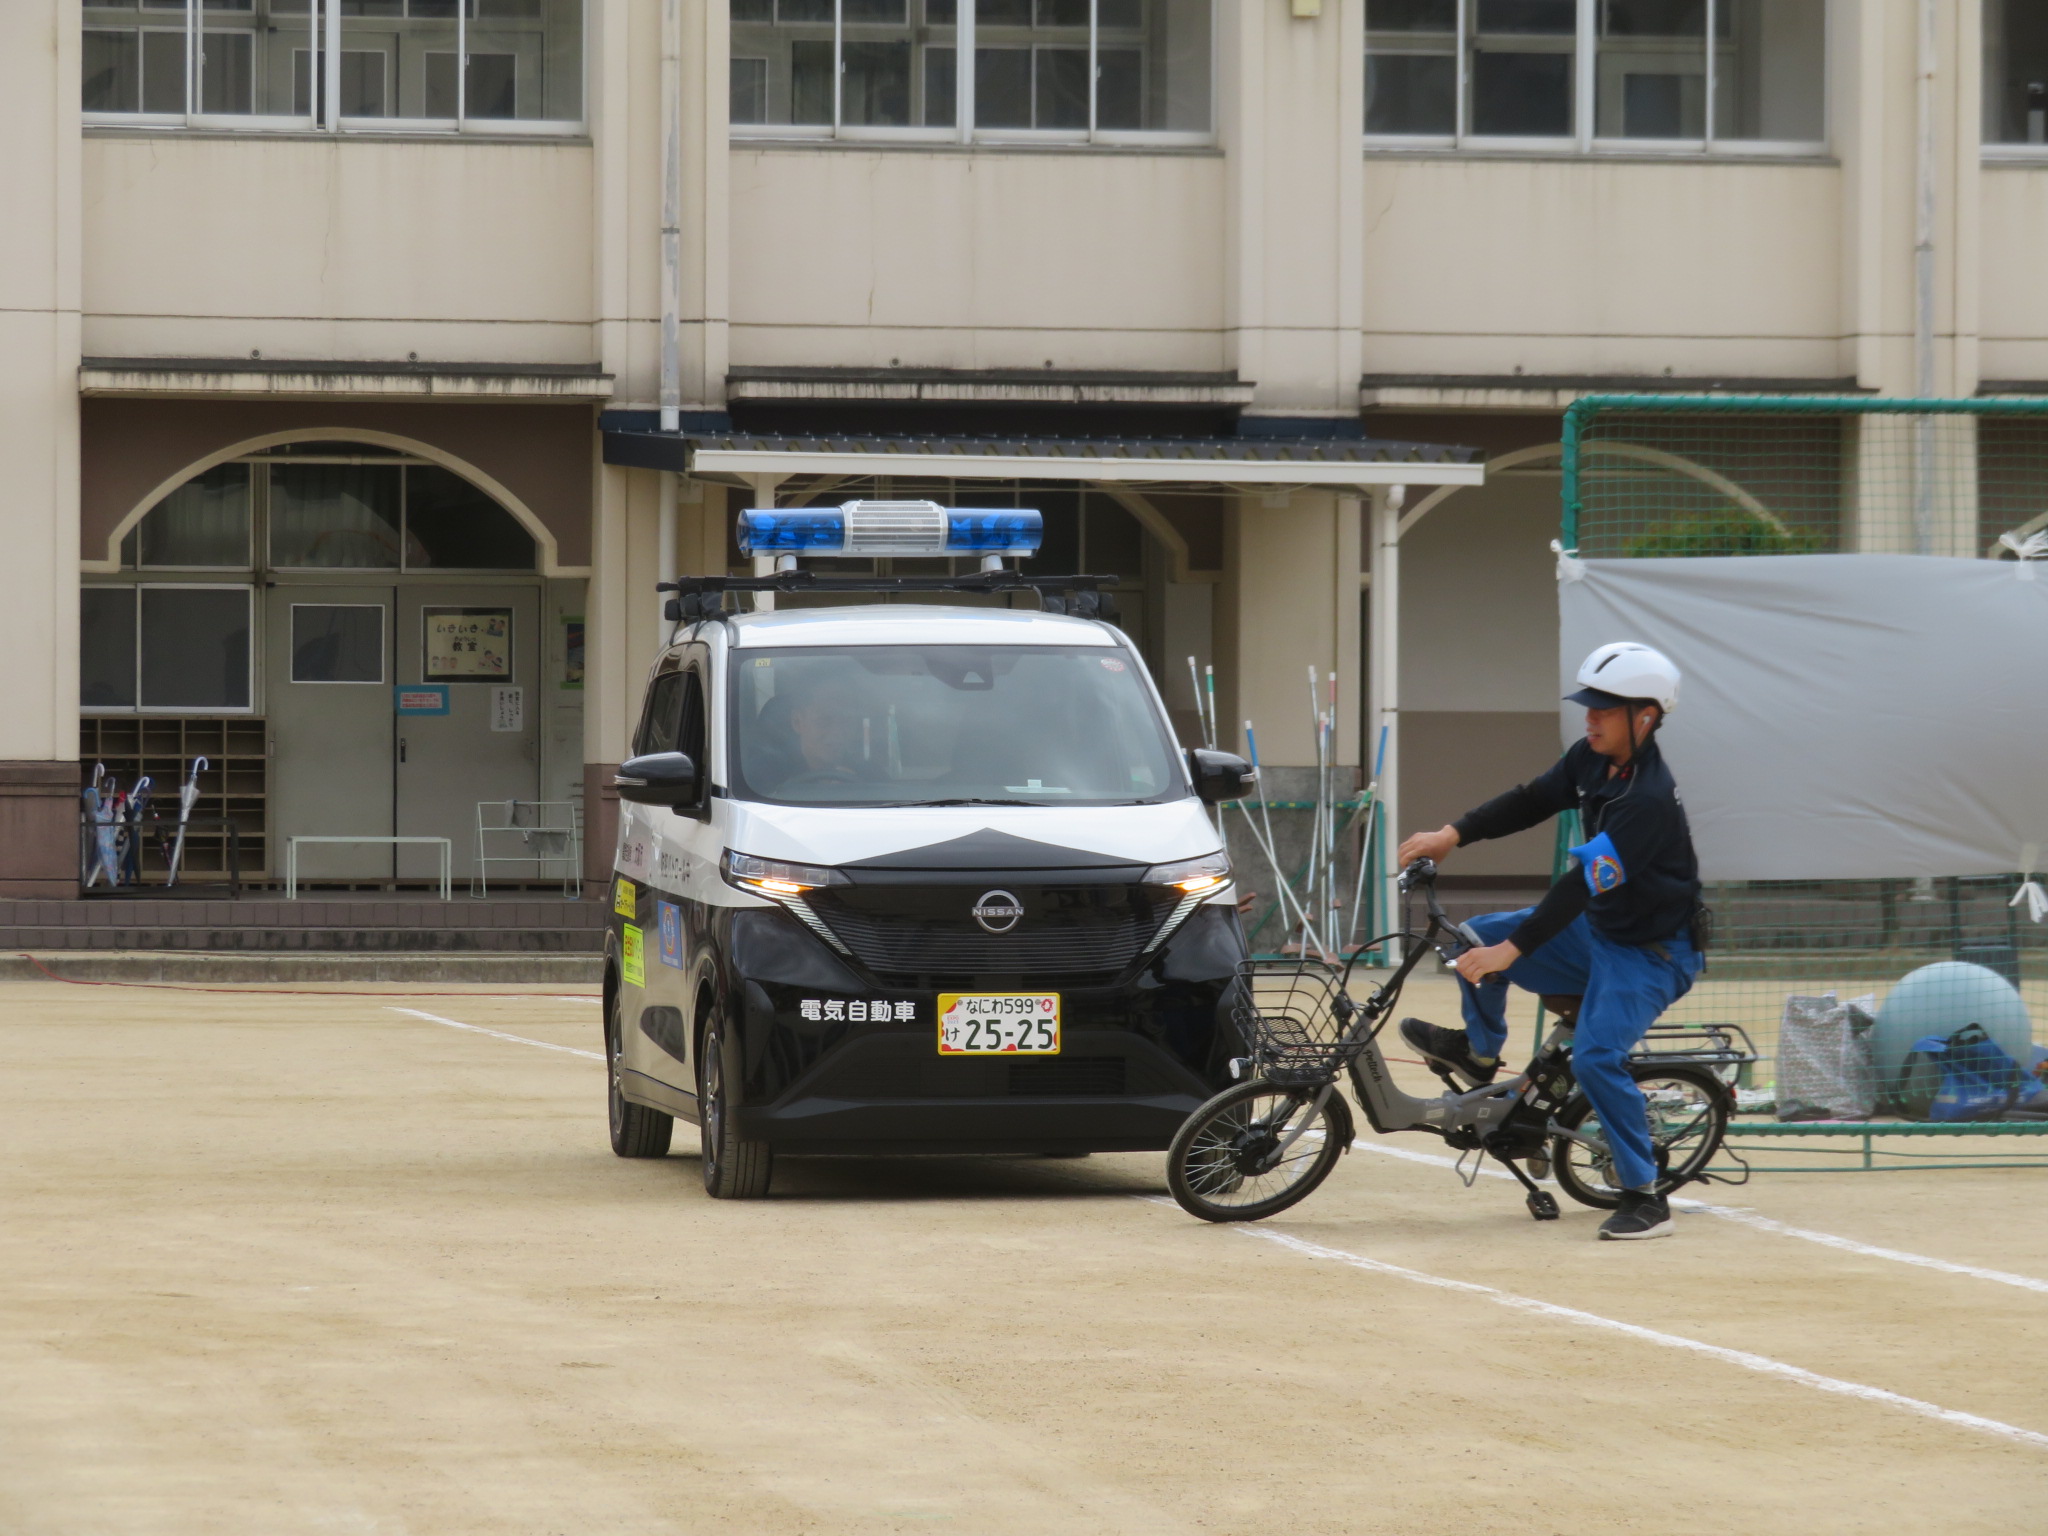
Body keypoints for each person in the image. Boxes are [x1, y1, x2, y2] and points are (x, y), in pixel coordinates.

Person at [1396, 642, 1703, 1242]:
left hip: (1652, 953)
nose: (1589, 717)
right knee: (1476, 935)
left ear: (1645, 717)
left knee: (1594, 1058)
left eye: (1604, 709)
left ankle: (1644, 1195)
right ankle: (1479, 1054)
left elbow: (1579, 886)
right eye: (1588, 705)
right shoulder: (1591, 761)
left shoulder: (1645, 802)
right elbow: (1532, 801)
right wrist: (1451, 834)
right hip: (1603, 932)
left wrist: (1513, 954)